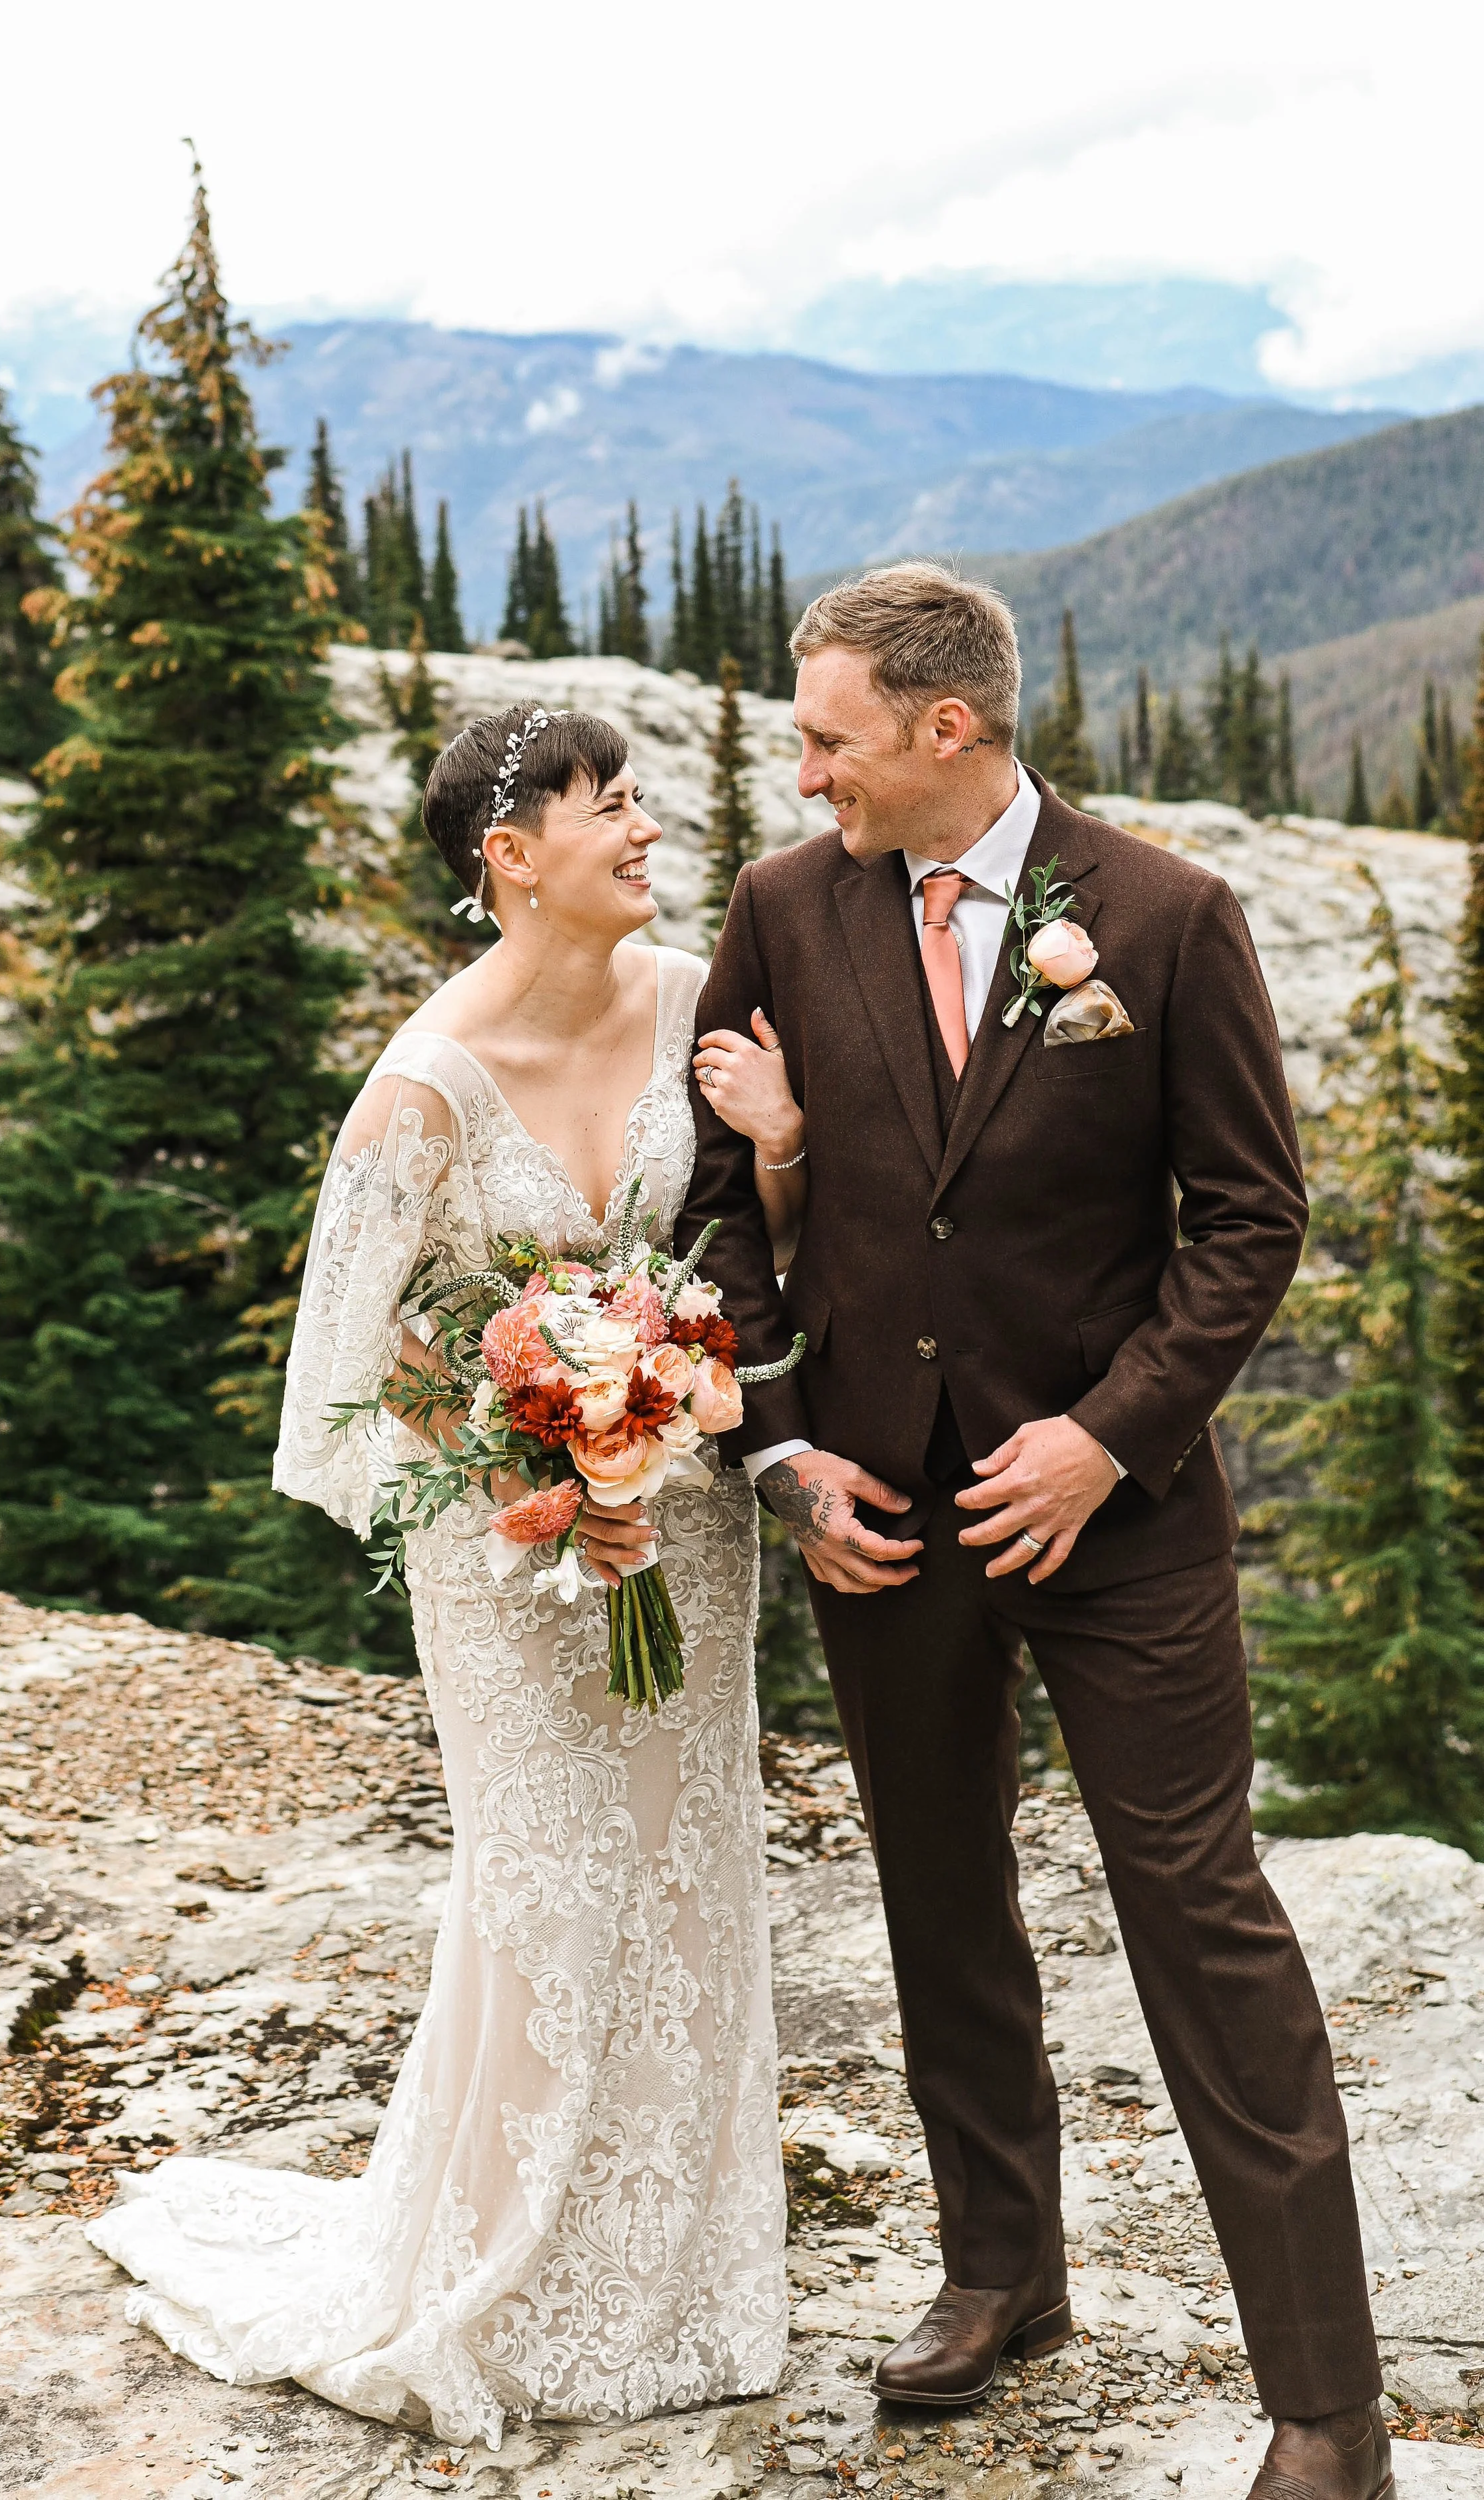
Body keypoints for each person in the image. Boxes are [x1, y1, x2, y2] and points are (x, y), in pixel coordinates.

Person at [679, 565, 1391, 2500]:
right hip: (878, 1507)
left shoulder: (1162, 916)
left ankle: (1326, 2408)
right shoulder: (779, 906)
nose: (802, 766)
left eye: (828, 734)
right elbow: (725, 1214)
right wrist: (780, 1447)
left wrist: (1105, 1436)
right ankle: (1002, 2270)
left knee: (1197, 1907)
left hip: (1118, 1512)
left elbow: (1249, 1218)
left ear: (946, 731)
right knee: (938, 1892)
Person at [89, 705, 793, 2449]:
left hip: (686, 1526)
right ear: (510, 855)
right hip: (507, 1561)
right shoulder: (419, 1087)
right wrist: (539, 1468)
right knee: (547, 1888)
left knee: (686, 1870)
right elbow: (343, 1388)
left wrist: (766, 1171)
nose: (644, 824)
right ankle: (492, 2274)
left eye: (638, 794)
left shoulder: (702, 999)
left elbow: (763, 1250)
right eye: (604, 804)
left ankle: (676, 2281)